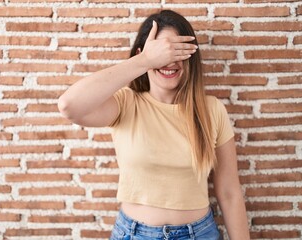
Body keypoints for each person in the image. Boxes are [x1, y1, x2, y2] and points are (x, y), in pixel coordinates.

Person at [58, 10, 250, 240]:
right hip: (134, 234)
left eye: (177, 51)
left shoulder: (212, 110)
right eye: (162, 51)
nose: (169, 61)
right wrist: (145, 60)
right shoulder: (125, 103)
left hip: (199, 234)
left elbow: (229, 192)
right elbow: (69, 105)